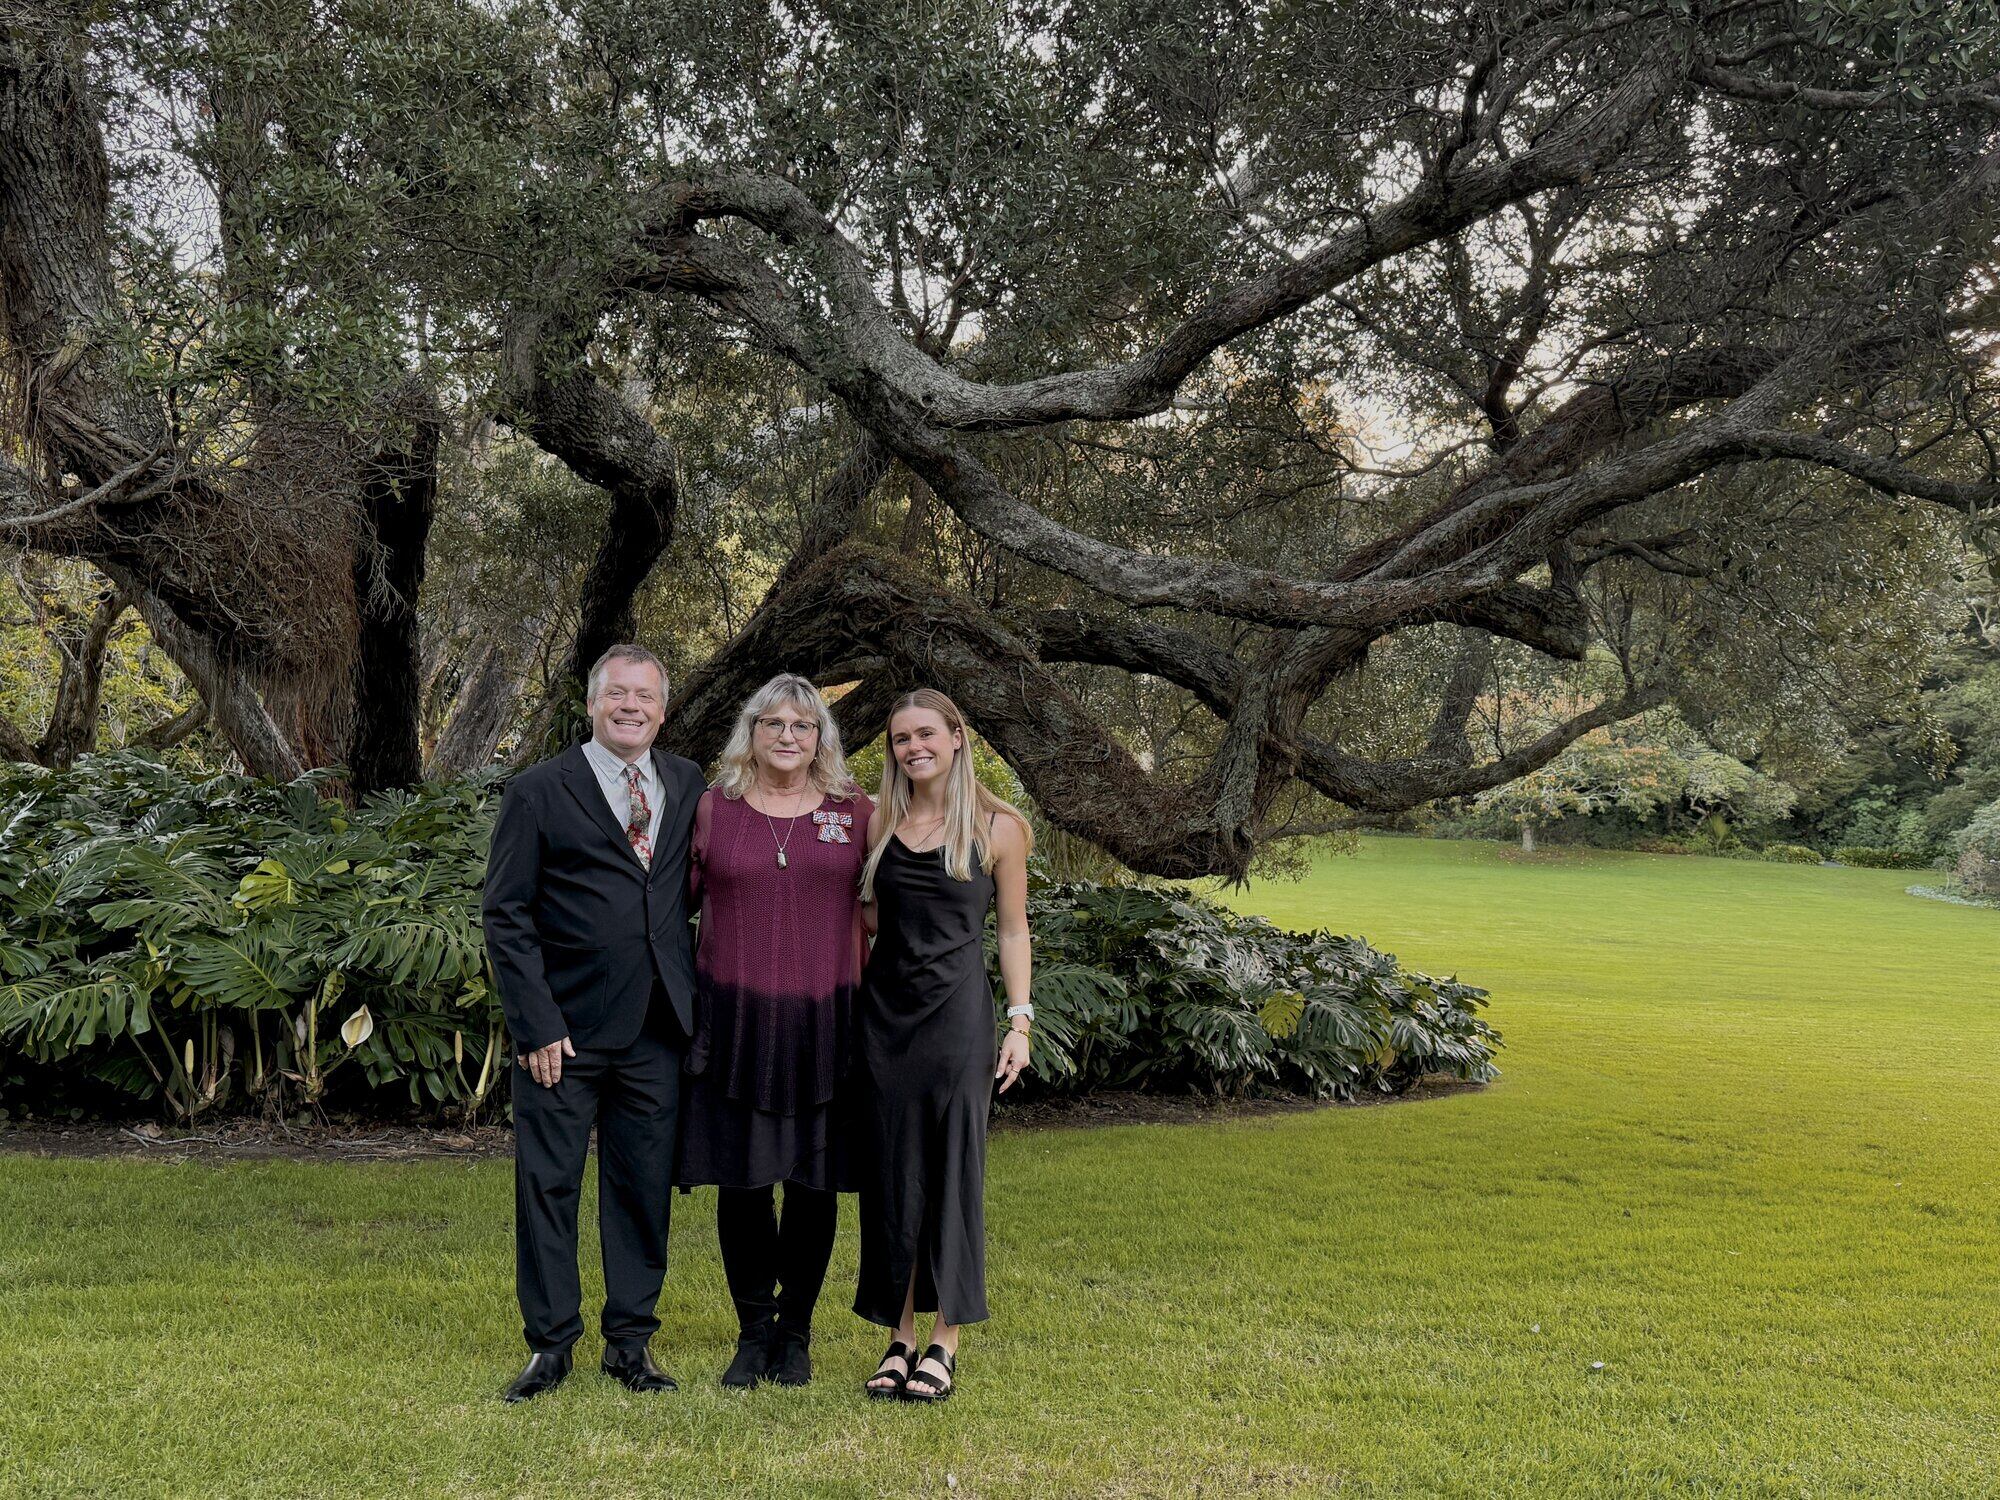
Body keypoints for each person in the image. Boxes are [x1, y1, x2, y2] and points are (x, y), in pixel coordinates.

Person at [481, 643, 705, 1404]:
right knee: (548, 1186)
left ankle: (631, 1344)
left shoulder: (685, 781)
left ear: (663, 709)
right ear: (591, 703)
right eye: (617, 694)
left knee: (641, 1187)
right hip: (563, 1034)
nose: (631, 706)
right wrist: (535, 1023)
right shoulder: (539, 791)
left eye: (645, 696)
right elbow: (506, 915)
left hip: (656, 1026)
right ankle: (550, 1347)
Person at [679, 674, 873, 1388]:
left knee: (813, 1185)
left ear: (820, 738)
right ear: (750, 733)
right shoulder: (711, 810)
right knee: (746, 1183)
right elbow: (670, 909)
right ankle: (753, 1332)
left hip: (826, 1025)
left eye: (802, 725)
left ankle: (797, 1336)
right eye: (773, 724)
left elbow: (893, 903)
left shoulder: (857, 813)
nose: (787, 736)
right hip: (735, 1025)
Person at [854, 689, 1034, 1403]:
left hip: (957, 1021)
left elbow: (1013, 931)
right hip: (882, 1021)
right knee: (893, 1178)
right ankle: (899, 1335)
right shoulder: (881, 821)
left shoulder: (998, 828)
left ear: (958, 738)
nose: (912, 748)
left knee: (954, 1172)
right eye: (900, 739)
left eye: (925, 734)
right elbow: (868, 919)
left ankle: (944, 1341)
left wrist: (1020, 1022)